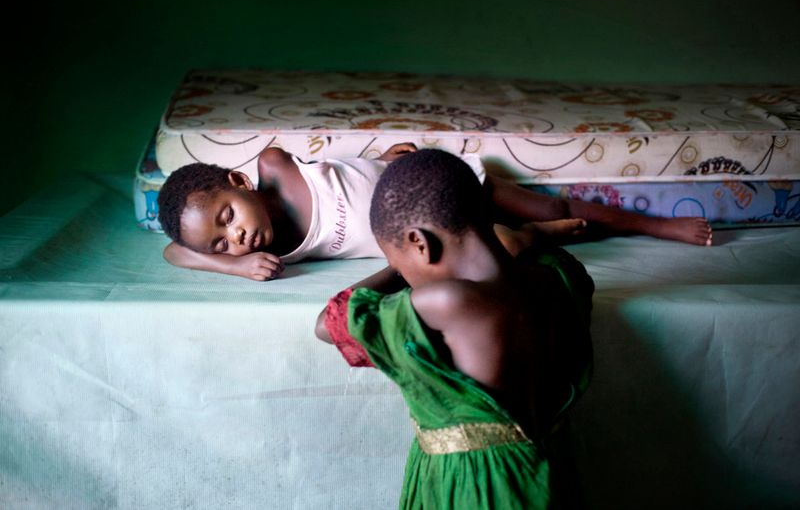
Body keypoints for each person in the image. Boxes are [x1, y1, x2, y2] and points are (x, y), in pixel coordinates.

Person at [315, 150, 594, 509]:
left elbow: (329, 322)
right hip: (549, 480)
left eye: (397, 260)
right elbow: (524, 256)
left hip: (477, 491)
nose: (403, 273)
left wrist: (395, 271)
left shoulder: (448, 303)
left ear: (420, 243)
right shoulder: (560, 275)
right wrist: (523, 237)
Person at [157, 142, 712, 281]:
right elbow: (174, 251)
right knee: (503, 244)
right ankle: (535, 235)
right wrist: (227, 266)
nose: (238, 240)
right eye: (222, 243)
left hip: (426, 179)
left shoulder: (274, 164)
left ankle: (657, 225)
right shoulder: (268, 251)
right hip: (428, 229)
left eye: (229, 218)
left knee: (556, 206)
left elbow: (336, 167)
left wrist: (379, 157)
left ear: (239, 181)